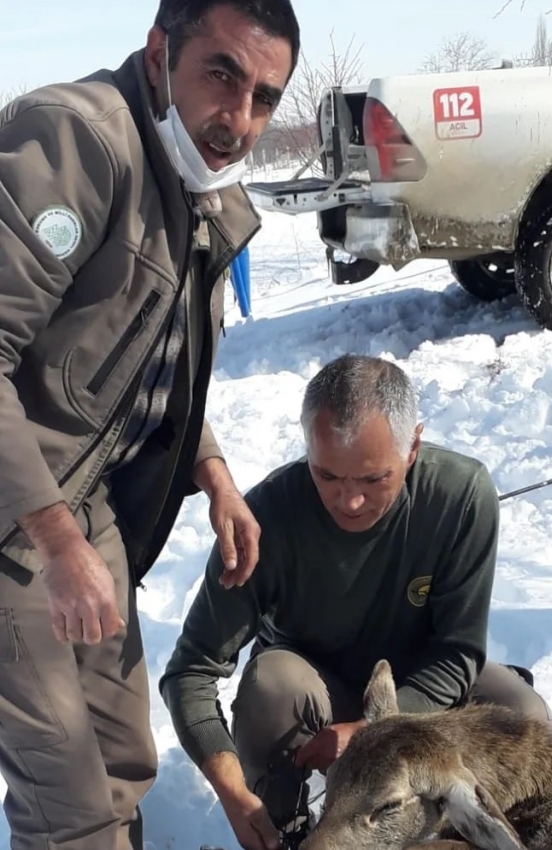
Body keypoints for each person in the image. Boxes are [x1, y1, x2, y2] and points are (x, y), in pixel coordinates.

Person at [0, 2, 300, 849]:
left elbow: (152, 362)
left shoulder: (199, 187)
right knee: (68, 798)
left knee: (124, 758)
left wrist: (214, 474)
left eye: (265, 96)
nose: (239, 119)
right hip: (18, 507)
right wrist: (57, 541)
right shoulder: (78, 144)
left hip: (75, 496)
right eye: (222, 75)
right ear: (161, 51)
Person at [161, 354, 552, 850]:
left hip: (414, 695)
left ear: (412, 446)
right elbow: (190, 672)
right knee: (272, 684)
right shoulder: (267, 518)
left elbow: (457, 652)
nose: (349, 501)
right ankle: (285, 832)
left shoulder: (460, 496)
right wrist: (232, 791)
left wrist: (373, 730)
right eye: (327, 476)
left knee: (523, 712)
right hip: (315, 695)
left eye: (373, 480)